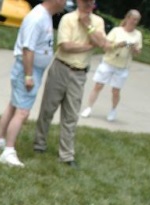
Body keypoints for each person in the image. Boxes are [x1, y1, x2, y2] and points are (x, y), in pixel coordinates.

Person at [0, 0, 66, 168]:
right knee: (22, 111)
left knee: (13, 105)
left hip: (30, 70)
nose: (66, 3)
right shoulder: (37, 18)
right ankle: (8, 151)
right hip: (27, 70)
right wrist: (28, 75)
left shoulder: (45, 16)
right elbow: (28, 49)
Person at [33, 0, 108, 167]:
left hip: (79, 73)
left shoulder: (97, 22)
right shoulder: (67, 18)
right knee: (48, 109)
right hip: (61, 67)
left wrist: (88, 25)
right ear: (79, 2)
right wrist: (89, 45)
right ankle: (39, 144)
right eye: (86, 2)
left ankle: (66, 155)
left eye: (92, 3)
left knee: (71, 116)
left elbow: (102, 44)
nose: (90, 6)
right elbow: (65, 46)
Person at [80, 9, 142, 122]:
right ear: (128, 18)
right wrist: (118, 45)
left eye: (137, 20)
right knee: (98, 85)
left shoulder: (138, 34)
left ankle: (113, 110)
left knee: (116, 91)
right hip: (109, 62)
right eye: (133, 19)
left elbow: (138, 52)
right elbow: (106, 46)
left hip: (123, 67)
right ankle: (89, 108)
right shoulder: (116, 31)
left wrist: (135, 48)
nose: (134, 22)